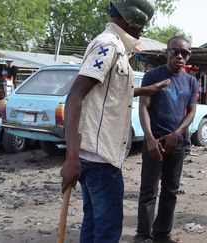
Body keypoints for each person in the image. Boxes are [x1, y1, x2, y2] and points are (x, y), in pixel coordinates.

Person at [59, 1, 166, 242]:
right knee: (107, 230)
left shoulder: (117, 48)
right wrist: (70, 159)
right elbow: (75, 97)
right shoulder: (108, 46)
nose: (141, 32)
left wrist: (146, 89)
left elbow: (108, 92)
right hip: (99, 160)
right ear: (130, 22)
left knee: (94, 223)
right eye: (141, 27)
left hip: (98, 157)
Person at [135, 36, 197, 243]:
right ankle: (143, 235)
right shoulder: (152, 76)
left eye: (185, 53)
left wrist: (177, 134)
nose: (180, 56)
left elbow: (191, 111)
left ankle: (162, 234)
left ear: (189, 55)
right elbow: (143, 106)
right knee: (148, 191)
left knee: (170, 191)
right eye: (175, 51)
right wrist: (150, 138)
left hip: (175, 143)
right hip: (154, 142)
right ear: (166, 52)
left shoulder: (191, 81)